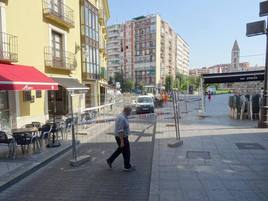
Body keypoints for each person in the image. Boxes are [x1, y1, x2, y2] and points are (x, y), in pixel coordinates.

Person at [106, 106, 135, 171]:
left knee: (121, 150)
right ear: (126, 111)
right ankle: (126, 166)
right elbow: (120, 131)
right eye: (130, 112)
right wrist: (122, 142)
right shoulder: (121, 118)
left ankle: (110, 160)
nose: (130, 113)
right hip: (121, 137)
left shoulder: (124, 116)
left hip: (123, 137)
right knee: (127, 152)